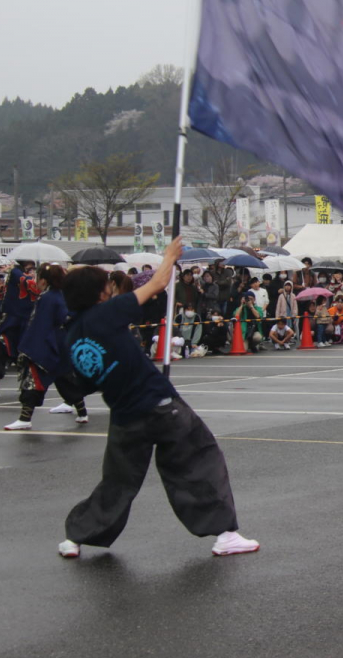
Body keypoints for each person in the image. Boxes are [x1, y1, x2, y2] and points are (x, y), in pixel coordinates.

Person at [56, 237, 259, 559]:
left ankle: (76, 537)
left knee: (118, 481)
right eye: (107, 286)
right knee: (199, 460)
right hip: (158, 405)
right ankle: (225, 535)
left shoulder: (72, 336)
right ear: (99, 294)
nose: (110, 289)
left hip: (124, 415)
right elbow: (158, 283)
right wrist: (169, 257)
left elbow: (86, 381)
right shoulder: (106, 313)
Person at [2, 264, 91, 431]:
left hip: (45, 343)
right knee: (65, 379)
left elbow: (40, 324)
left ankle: (25, 418)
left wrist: (29, 346)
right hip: (61, 341)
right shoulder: (62, 295)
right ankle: (82, 412)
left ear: (43, 280)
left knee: (34, 381)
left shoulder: (47, 297)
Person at [0, 260, 40, 400]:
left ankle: (29, 389)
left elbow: (30, 285)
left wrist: (12, 270)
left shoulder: (28, 279)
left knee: (27, 358)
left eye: (32, 269)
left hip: (26, 325)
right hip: (10, 323)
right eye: (28, 269)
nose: (31, 272)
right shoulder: (14, 280)